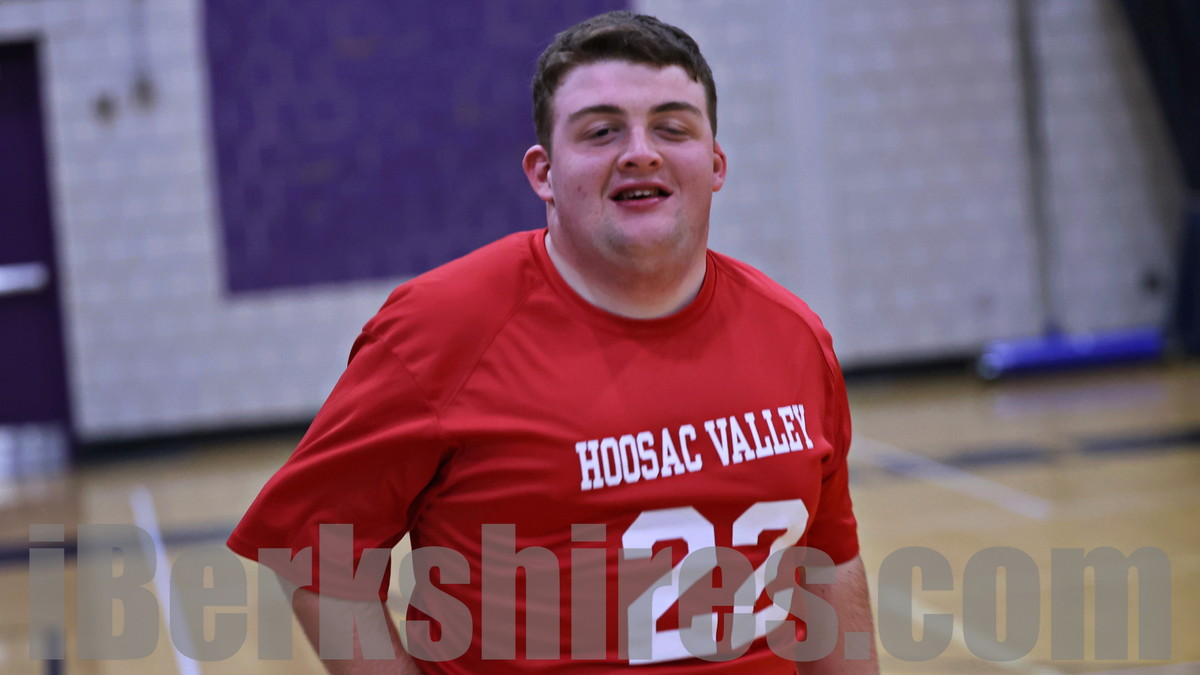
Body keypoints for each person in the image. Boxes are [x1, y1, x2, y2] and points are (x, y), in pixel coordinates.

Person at [228, 10, 878, 674]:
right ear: (543, 173)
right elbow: (316, 553)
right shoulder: (438, 331)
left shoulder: (794, 336)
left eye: (672, 128)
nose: (641, 152)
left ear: (714, 164)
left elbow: (829, 565)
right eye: (601, 131)